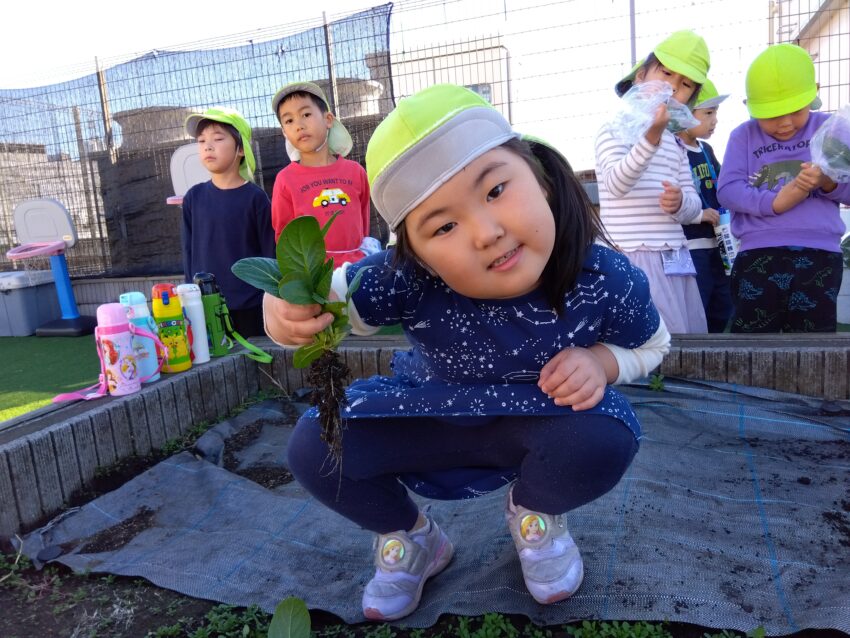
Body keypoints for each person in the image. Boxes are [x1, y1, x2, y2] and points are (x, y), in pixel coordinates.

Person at [263, 84, 671, 621]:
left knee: (604, 434)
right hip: (427, 413)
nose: (487, 232)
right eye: (445, 226)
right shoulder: (405, 278)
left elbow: (654, 343)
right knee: (316, 443)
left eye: (496, 189)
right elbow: (327, 297)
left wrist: (602, 362)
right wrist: (286, 309)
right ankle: (412, 539)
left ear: (541, 178)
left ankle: (535, 514)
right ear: (418, 255)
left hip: (537, 419)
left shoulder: (602, 278)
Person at [717, 44, 850, 333]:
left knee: (813, 346)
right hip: (758, 252)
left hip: (819, 253)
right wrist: (775, 202)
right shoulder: (744, 135)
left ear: (814, 92)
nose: (785, 123)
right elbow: (727, 190)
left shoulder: (831, 129)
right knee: (752, 345)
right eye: (771, 114)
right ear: (750, 106)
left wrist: (828, 183)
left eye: (794, 110)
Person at [596, 30, 709, 333]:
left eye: (685, 84)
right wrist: (650, 138)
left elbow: (693, 205)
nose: (672, 86)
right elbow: (616, 184)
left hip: (674, 259)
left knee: (680, 341)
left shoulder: (676, 143)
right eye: (666, 73)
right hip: (628, 256)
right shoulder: (613, 131)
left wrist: (681, 203)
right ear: (639, 78)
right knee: (640, 341)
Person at [182, 107, 274, 337]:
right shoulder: (193, 197)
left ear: (241, 148)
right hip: (204, 305)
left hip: (252, 306)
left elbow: (269, 253)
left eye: (218, 138)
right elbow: (188, 251)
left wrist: (272, 297)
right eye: (202, 140)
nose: (207, 146)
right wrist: (188, 295)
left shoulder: (256, 198)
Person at [270, 81, 373, 266]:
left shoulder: (355, 172)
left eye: (306, 114)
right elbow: (284, 237)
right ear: (284, 132)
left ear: (328, 119)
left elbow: (363, 225)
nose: (299, 125)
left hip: (358, 270)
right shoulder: (285, 180)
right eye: (289, 120)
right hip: (315, 277)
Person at [676, 79, 733, 332]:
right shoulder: (671, 149)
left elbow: (722, 187)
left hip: (720, 245)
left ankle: (717, 362)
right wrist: (698, 214)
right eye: (708, 113)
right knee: (697, 310)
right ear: (683, 113)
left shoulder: (706, 150)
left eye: (715, 113)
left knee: (723, 306)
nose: (714, 120)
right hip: (690, 247)